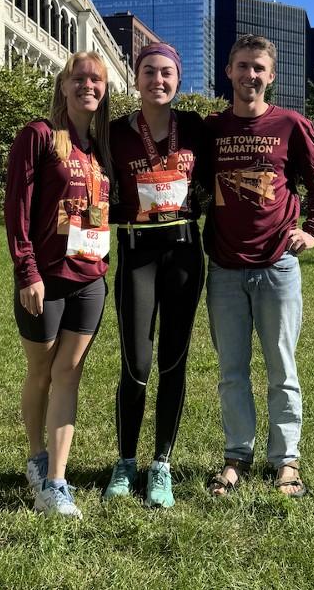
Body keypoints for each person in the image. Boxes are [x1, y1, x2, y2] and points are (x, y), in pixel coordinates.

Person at [203, 34, 314, 499]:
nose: (249, 75)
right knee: (231, 371)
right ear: (229, 72)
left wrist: (313, 230)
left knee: (282, 368)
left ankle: (287, 461)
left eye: (258, 67)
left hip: (277, 265)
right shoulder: (212, 129)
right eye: (242, 66)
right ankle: (236, 456)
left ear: (271, 75)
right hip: (223, 269)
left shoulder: (290, 124)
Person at [4, 51, 113, 518]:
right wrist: (26, 271)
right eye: (79, 78)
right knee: (42, 373)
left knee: (70, 375)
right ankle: (36, 457)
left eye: (96, 79)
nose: (87, 85)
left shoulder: (103, 150)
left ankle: (56, 482)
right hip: (45, 280)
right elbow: (17, 208)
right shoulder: (39, 136)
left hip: (91, 278)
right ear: (63, 86)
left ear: (104, 90)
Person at [103, 43, 211, 508]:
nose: (158, 80)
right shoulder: (114, 133)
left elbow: (224, 177)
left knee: (174, 360)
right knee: (137, 362)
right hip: (136, 253)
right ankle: (126, 461)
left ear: (178, 78)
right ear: (136, 77)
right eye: (149, 72)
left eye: (167, 72)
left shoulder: (195, 129)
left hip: (185, 253)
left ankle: (161, 463)